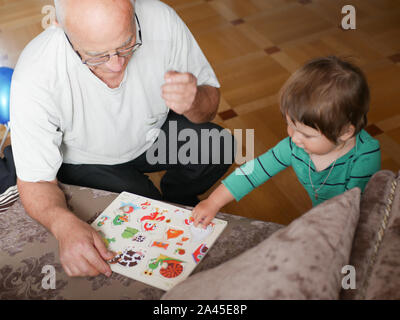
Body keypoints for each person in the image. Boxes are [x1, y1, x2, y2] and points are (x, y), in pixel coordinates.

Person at [10, 0, 234, 277]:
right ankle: (156, 198)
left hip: (151, 134)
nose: (117, 65)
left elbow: (208, 108)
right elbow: (35, 181)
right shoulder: (35, 74)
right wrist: (62, 223)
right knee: (144, 209)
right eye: (96, 56)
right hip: (86, 159)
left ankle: (180, 199)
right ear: (59, 27)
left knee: (218, 146)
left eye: (128, 44)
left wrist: (194, 100)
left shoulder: (160, 18)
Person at [193, 56, 381, 228]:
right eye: (290, 125)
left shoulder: (364, 157)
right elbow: (254, 171)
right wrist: (214, 202)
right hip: (324, 218)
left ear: (344, 132)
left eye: (307, 135)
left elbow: (352, 212)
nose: (294, 137)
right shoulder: (293, 147)